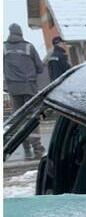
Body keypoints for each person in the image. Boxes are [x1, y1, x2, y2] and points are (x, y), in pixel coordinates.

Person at [3, 23, 45, 159]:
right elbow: (40, 67)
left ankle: (26, 148)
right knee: (32, 118)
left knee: (18, 119)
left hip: (14, 89)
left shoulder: (4, 48)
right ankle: (38, 149)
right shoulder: (29, 47)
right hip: (29, 87)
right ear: (21, 33)